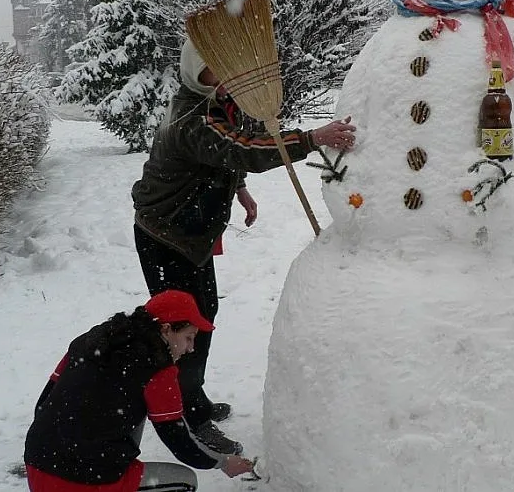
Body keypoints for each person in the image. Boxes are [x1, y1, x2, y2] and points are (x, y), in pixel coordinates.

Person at [131, 40, 356, 454]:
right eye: (214, 68)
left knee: (201, 314)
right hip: (166, 235)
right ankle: (187, 414)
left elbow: (228, 153)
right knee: (181, 327)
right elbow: (241, 149)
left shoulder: (218, 102)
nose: (225, 75)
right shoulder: (193, 117)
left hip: (188, 231)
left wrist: (240, 190)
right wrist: (311, 138)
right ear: (196, 72)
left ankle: (189, 396)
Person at [24, 290, 254, 492]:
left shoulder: (89, 342)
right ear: (166, 329)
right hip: (82, 483)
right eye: (188, 338)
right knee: (185, 482)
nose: (191, 348)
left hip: (38, 465)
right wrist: (223, 462)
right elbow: (180, 441)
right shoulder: (158, 371)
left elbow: (44, 403)